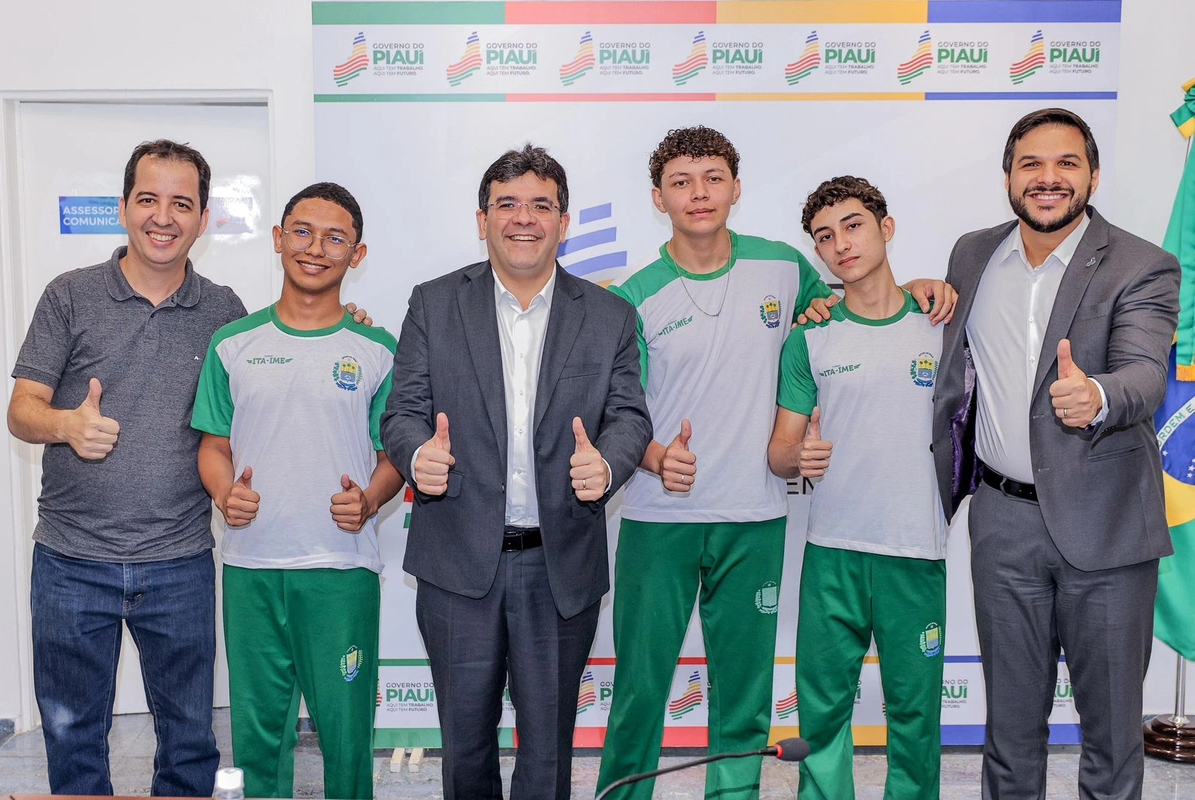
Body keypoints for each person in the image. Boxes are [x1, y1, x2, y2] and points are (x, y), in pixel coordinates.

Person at [596, 126, 955, 800]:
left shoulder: (786, 267)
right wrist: (651, 458)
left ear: (735, 186)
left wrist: (923, 284)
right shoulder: (634, 296)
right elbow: (619, 411)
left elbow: (861, 296)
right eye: (681, 181)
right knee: (642, 692)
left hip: (756, 520)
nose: (698, 193)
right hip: (656, 521)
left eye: (712, 177)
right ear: (657, 198)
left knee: (744, 700)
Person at [5, 139, 371, 798]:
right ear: (123, 207)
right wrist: (65, 425)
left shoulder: (225, 315)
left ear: (204, 220)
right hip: (70, 561)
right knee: (72, 737)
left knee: (190, 742)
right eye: (148, 199)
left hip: (179, 562)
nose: (163, 217)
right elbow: (21, 410)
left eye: (182, 203)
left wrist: (350, 326)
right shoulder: (69, 297)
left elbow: (278, 359)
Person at [380, 144, 652, 800]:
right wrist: (418, 456)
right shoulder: (434, 303)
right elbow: (402, 414)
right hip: (456, 566)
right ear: (483, 219)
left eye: (540, 205)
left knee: (549, 750)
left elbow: (630, 419)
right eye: (507, 204)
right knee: (465, 748)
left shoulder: (610, 315)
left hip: (560, 566)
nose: (522, 218)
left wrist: (608, 464)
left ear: (564, 221)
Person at [931, 107, 1180, 799]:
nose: (1048, 179)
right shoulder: (972, 254)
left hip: (1105, 525)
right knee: (1009, 731)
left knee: (1109, 734)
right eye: (1030, 164)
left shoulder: (1142, 264)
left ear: (1093, 176)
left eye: (1066, 164)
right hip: (1003, 523)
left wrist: (1097, 397)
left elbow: (1145, 372)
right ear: (1009, 177)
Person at [192, 182, 403, 800]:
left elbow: (395, 457)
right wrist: (225, 493)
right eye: (303, 232)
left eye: (336, 237)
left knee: (346, 740)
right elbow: (212, 446)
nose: (317, 248)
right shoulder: (233, 343)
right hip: (252, 568)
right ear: (279, 240)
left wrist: (369, 499)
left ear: (356, 254)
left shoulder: (377, 350)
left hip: (341, 571)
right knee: (257, 741)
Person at [769, 176, 946, 800]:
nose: (840, 243)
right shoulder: (809, 337)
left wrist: (937, 287)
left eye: (853, 225)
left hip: (915, 554)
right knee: (821, 716)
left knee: (917, 720)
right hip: (832, 554)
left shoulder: (940, 323)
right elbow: (779, 452)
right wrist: (799, 456)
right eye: (824, 235)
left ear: (886, 227)